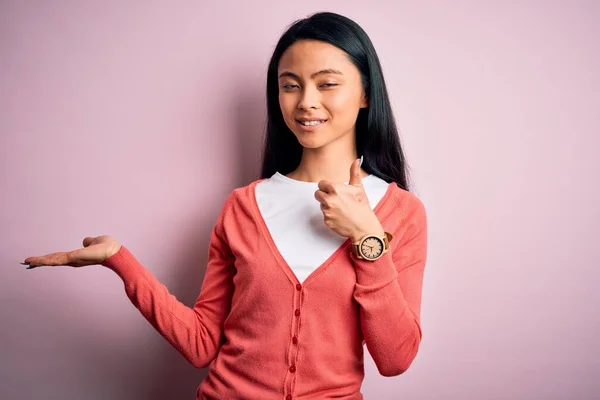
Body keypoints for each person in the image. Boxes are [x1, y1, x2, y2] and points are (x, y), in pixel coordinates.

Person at [22, 11, 428, 400]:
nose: (305, 101)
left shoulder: (401, 212)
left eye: (326, 84)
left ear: (365, 94)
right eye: (290, 85)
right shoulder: (243, 207)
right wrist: (119, 260)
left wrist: (367, 236)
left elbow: (395, 359)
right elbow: (201, 344)